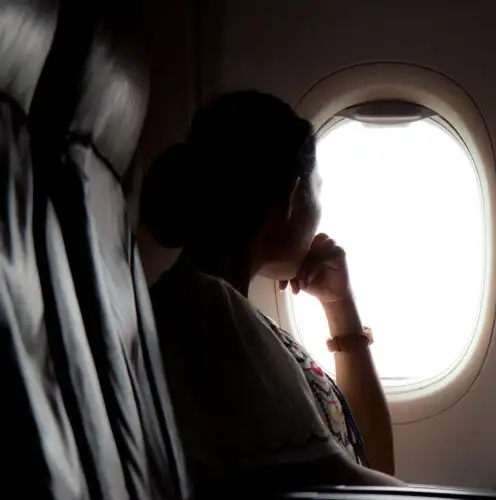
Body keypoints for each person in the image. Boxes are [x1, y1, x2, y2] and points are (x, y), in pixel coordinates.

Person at [140, 90, 403, 495]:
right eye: (318, 192)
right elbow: (348, 486)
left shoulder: (218, 307)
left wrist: (339, 307)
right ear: (289, 197)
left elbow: (366, 462)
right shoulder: (211, 313)